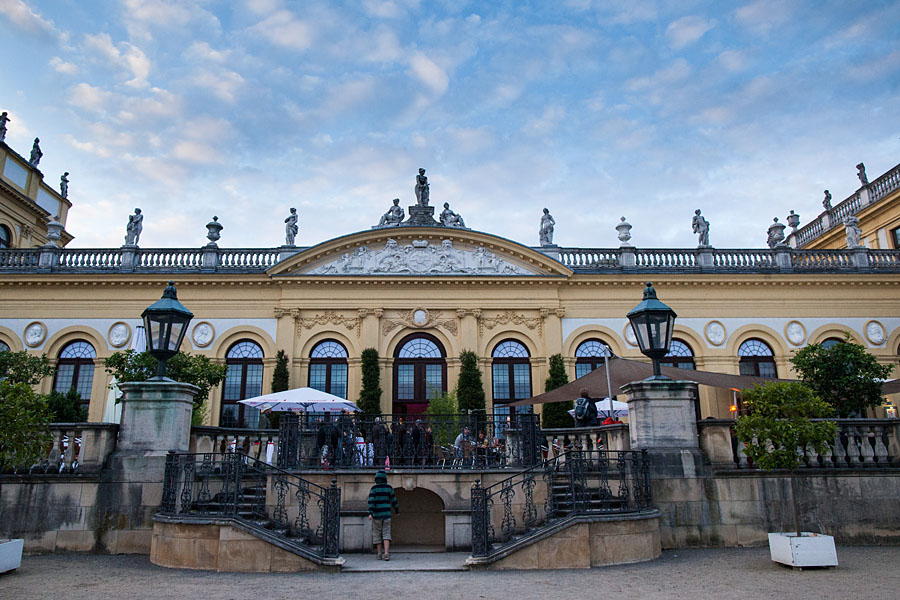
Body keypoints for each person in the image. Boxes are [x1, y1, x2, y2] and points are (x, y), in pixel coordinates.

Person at [367, 470, 399, 561]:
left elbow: (371, 502)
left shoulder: (374, 489)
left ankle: (379, 553)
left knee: (377, 534)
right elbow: (394, 501)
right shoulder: (389, 488)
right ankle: (386, 553)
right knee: (386, 533)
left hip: (377, 514)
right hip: (387, 514)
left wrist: (370, 513)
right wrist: (397, 511)